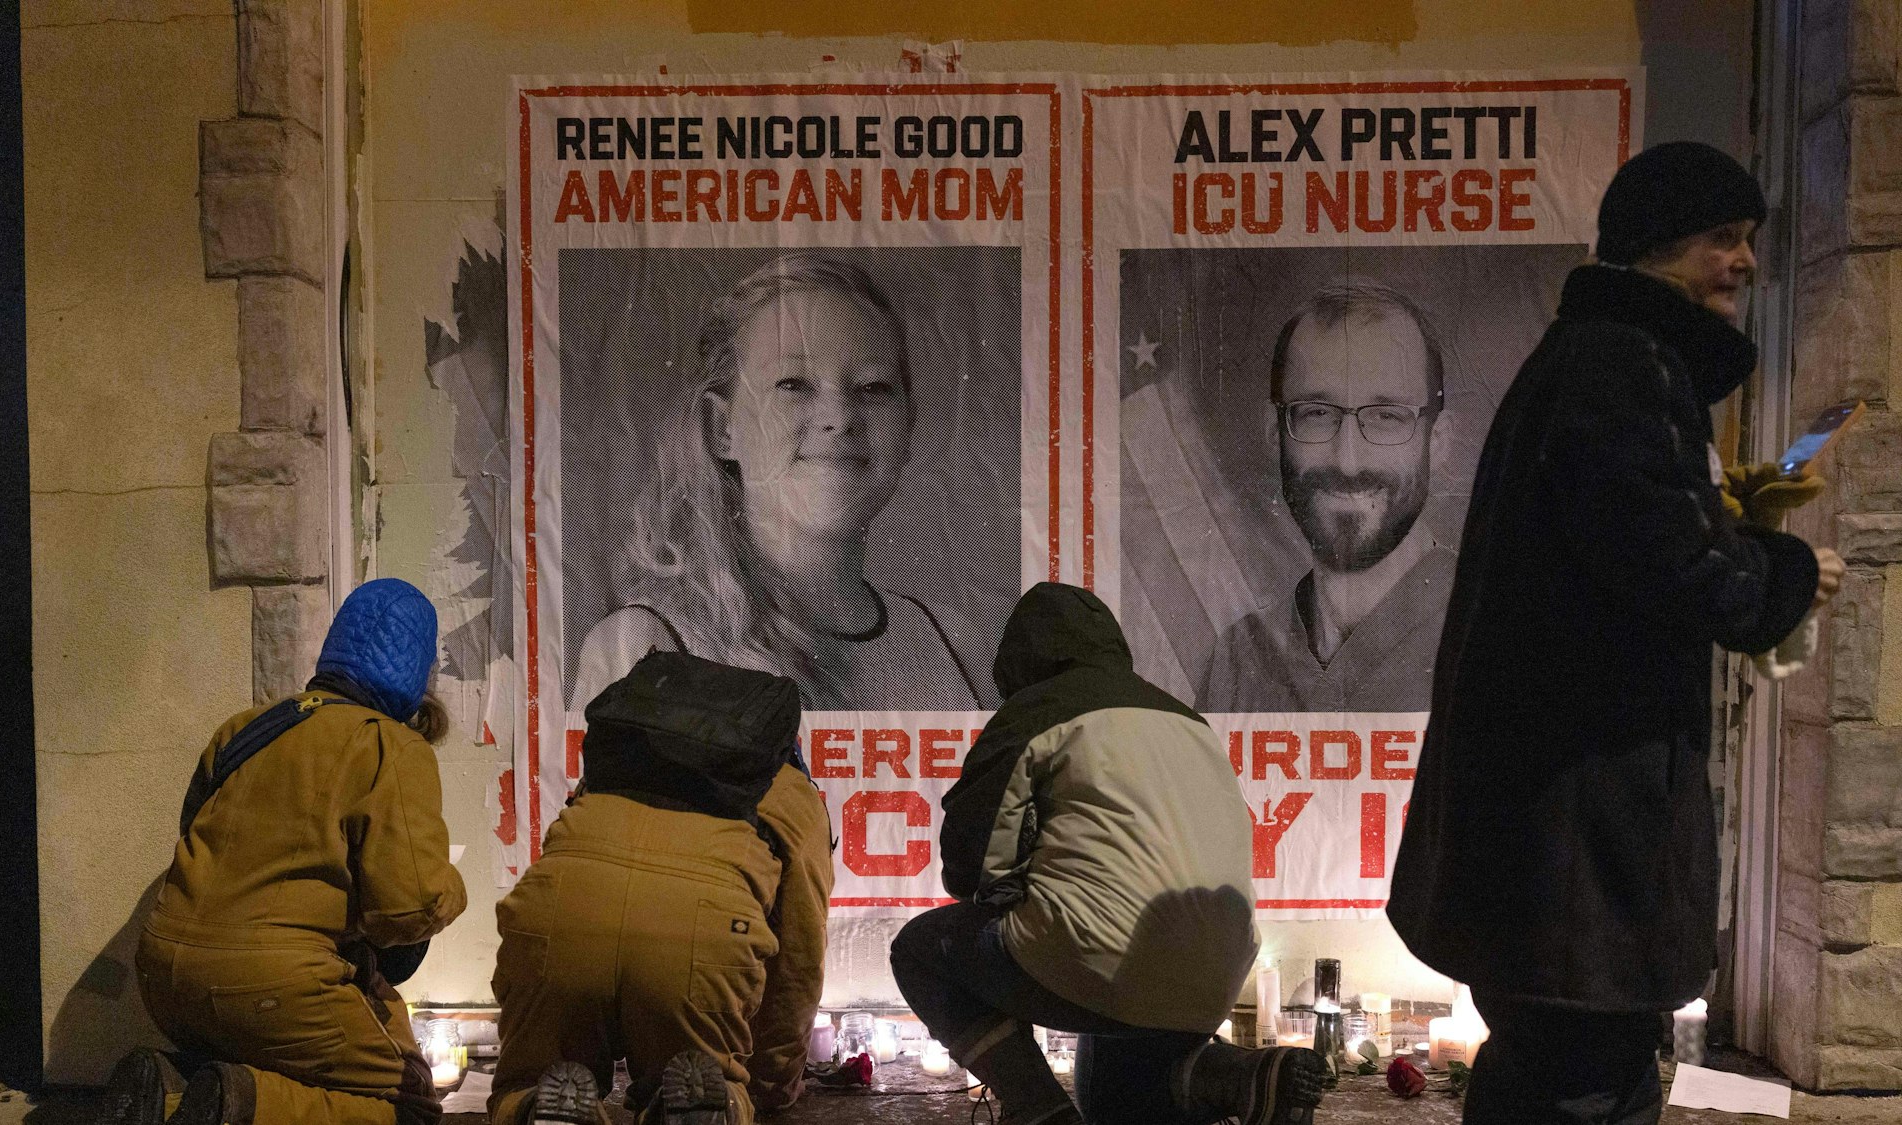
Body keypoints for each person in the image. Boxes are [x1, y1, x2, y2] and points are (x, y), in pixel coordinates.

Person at [1387, 142, 1846, 1125]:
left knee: (1544, 1079)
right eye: (1722, 238)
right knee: (1584, 1088)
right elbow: (1689, 576)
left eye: (1750, 241)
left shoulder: (1590, 361)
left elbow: (1632, 553)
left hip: (1546, 843)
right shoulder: (1621, 367)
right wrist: (1787, 572)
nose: (1746, 263)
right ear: (1655, 243)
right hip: (1575, 853)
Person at [891, 582, 1327, 1125]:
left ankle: (1037, 1110)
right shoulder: (1188, 721)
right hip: (1216, 974)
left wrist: (1019, 886)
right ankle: (1240, 1075)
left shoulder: (1037, 710)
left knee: (921, 950)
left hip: (1098, 956)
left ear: (1018, 659)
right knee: (1114, 1101)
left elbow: (973, 866)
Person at [102, 578, 468, 1125]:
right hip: (275, 990)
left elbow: (191, 833)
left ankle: (172, 1090)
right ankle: (244, 1107)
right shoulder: (390, 745)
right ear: (418, 674)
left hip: (164, 975)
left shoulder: (247, 727)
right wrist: (453, 890)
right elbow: (408, 907)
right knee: (410, 1107)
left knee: (250, 1056)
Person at [571, 252, 988, 713]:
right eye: (793, 384)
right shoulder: (646, 646)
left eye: (873, 388)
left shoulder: (944, 641)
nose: (841, 418)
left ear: (909, 422)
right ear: (721, 429)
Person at [490, 651, 833, 1125]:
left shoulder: (621, 765)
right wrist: (767, 1087)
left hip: (559, 920)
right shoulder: (791, 794)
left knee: (536, 1078)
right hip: (695, 948)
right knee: (705, 1083)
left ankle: (534, 1109)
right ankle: (694, 1110)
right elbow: (798, 961)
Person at [1200, 280, 1456, 712]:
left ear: (1439, 442)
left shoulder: (1498, 634)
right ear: (1274, 432)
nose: (1348, 461)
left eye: (1386, 417)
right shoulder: (1239, 661)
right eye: (1316, 414)